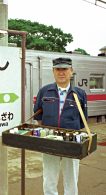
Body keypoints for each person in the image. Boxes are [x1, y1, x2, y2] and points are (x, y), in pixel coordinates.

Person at [33, 57, 88, 195]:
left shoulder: (79, 94)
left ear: (71, 71)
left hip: (72, 142)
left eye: (65, 69)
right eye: (58, 69)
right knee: (50, 177)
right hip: (49, 141)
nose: (61, 73)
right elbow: (38, 114)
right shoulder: (44, 91)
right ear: (53, 71)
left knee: (71, 178)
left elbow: (83, 120)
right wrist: (49, 130)